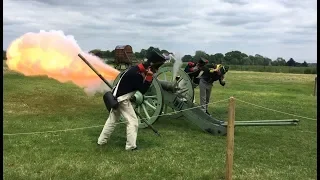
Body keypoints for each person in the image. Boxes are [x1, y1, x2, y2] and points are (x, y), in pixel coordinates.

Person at [97, 49, 167, 151]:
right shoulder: (136, 75)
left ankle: (101, 141)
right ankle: (130, 147)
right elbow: (142, 90)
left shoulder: (135, 69)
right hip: (122, 99)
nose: (155, 71)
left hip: (117, 97)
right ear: (150, 66)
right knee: (133, 122)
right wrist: (148, 78)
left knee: (111, 121)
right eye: (155, 68)